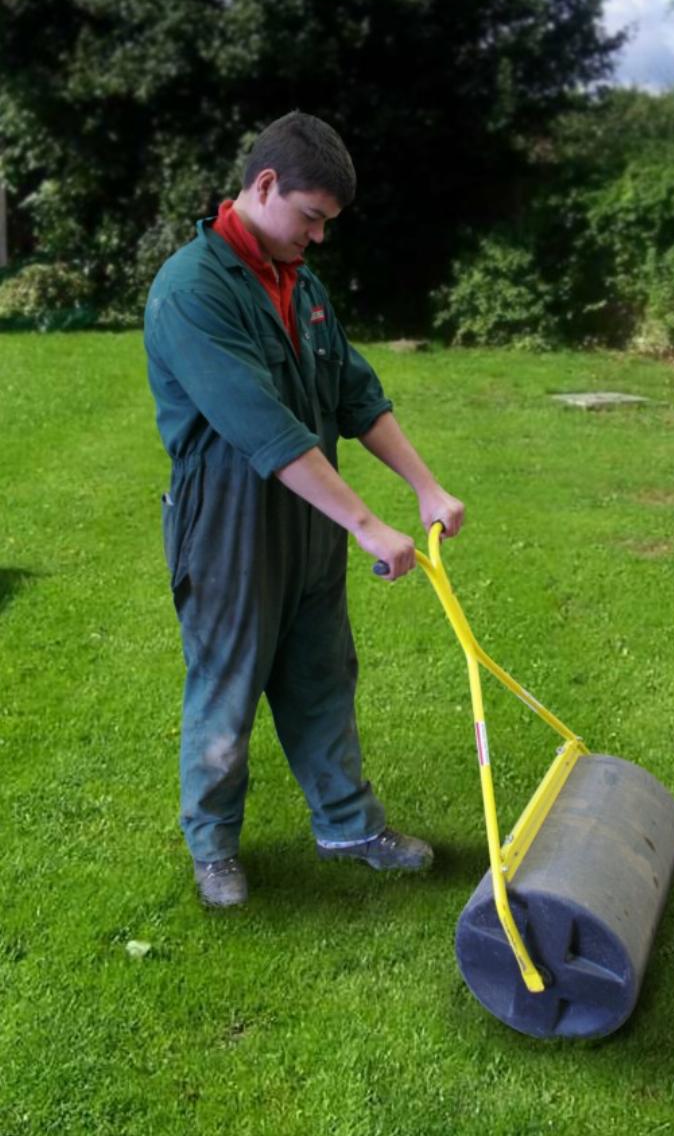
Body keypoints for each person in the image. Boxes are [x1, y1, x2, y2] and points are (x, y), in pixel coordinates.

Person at [144, 111, 465, 907]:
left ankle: (348, 825)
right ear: (263, 187)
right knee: (227, 682)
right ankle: (213, 847)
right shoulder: (192, 291)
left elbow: (353, 392)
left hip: (307, 515)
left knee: (324, 674)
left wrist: (424, 486)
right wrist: (366, 522)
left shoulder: (301, 283)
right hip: (227, 523)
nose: (319, 237)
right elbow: (266, 428)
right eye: (311, 217)